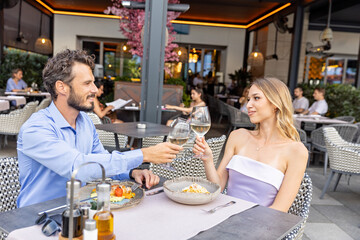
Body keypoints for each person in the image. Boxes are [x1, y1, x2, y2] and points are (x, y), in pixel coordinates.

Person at [17, 49, 182, 207]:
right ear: (62, 87)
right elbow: (79, 168)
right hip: (36, 217)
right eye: (87, 83)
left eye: (93, 83)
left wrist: (132, 172)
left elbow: (101, 160)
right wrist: (144, 154)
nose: (95, 90)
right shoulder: (36, 128)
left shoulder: (85, 122)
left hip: (77, 209)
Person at [193, 77, 308, 212]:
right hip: (224, 215)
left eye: (256, 98)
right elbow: (217, 188)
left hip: (260, 225)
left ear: (275, 104)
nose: (248, 105)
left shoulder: (296, 151)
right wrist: (208, 161)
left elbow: (279, 209)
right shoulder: (238, 136)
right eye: (248, 99)